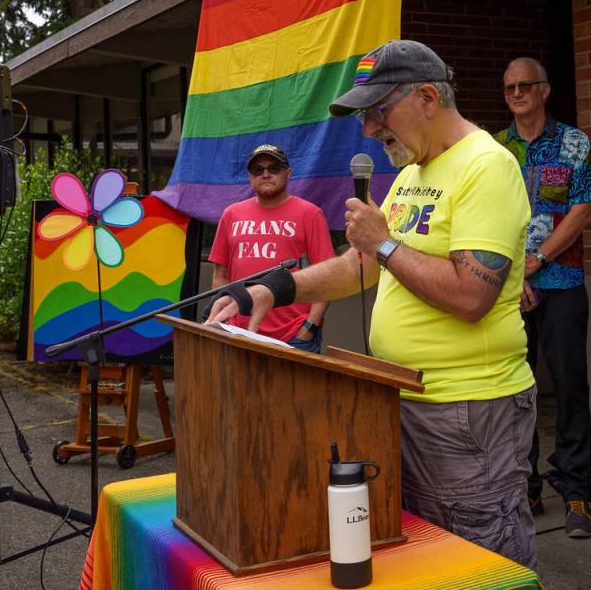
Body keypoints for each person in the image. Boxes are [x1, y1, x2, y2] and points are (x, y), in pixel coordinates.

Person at [206, 40, 538, 570]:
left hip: (469, 411)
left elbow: (471, 295)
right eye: (364, 116)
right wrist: (273, 289)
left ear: (427, 97)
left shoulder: (486, 166)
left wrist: (384, 242)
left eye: (378, 111)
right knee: (425, 561)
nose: (368, 130)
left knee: (479, 564)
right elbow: (364, 265)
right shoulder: (410, 174)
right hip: (402, 397)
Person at [493, 57, 591, 538]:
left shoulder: (574, 143)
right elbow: (490, 217)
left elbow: (584, 212)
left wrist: (535, 262)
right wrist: (514, 276)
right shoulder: (495, 150)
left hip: (562, 284)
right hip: (511, 290)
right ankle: (526, 487)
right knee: (517, 389)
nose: (517, 94)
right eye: (509, 88)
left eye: (525, 86)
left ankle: (576, 491)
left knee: (570, 384)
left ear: (544, 90)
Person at [207, 144, 334, 352]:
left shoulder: (310, 214)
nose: (265, 174)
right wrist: (225, 319)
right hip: (239, 332)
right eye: (258, 170)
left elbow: (327, 277)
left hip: (293, 336)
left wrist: (309, 326)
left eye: (274, 168)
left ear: (288, 173)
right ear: (250, 176)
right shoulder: (231, 214)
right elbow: (220, 276)